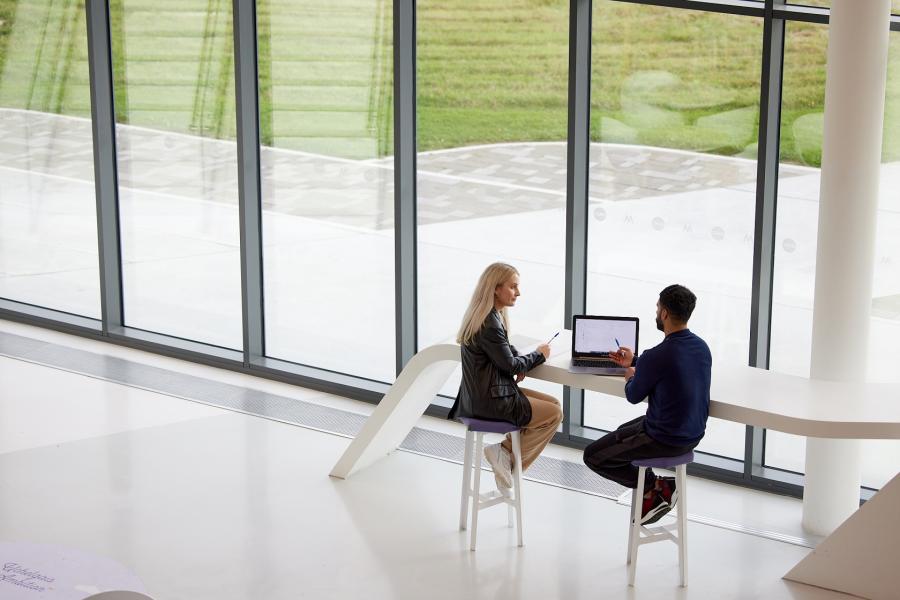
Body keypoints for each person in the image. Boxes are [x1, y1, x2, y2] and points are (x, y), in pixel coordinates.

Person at [583, 284, 711, 524]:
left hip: (663, 438)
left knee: (593, 456)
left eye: (657, 307)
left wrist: (631, 375)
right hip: (692, 435)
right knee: (622, 431)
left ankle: (657, 486)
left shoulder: (657, 355)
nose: (656, 312)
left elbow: (633, 395)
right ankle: (656, 485)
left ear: (663, 313)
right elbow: (671, 366)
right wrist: (636, 360)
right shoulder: (701, 347)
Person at [449, 262, 564, 493]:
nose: (518, 293)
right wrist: (538, 355)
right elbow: (509, 364)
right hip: (492, 402)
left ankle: (504, 460)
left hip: (482, 396)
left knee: (554, 404)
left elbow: (505, 352)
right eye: (513, 287)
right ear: (495, 288)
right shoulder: (490, 323)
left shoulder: (485, 316)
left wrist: (521, 359)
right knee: (555, 414)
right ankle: (505, 457)